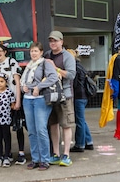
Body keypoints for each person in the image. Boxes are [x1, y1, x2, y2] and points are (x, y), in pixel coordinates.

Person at [21, 42, 58, 171]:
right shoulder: (29, 65)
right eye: (32, 51)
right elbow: (23, 81)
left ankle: (45, 160)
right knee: (31, 131)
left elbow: (53, 77)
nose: (33, 53)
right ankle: (35, 159)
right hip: (27, 99)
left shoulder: (45, 63)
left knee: (41, 129)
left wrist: (39, 87)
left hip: (40, 99)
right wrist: (23, 86)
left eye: (36, 51)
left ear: (41, 52)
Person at [44, 31, 76, 167]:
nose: (53, 43)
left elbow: (71, 75)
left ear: (61, 42)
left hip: (65, 96)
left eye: (55, 41)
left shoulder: (67, 56)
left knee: (66, 125)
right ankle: (56, 154)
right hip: (50, 96)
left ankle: (66, 154)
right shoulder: (46, 55)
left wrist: (54, 68)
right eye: (51, 40)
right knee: (53, 124)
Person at [0, 43, 26, 165]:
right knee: (3, 130)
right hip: (1, 103)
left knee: (18, 126)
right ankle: (7, 153)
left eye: (0, 51)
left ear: (5, 51)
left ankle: (21, 152)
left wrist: (18, 100)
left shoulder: (12, 62)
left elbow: (17, 82)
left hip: (12, 99)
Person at [69, 49, 94, 152]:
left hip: (78, 96)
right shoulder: (80, 66)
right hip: (84, 96)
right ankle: (89, 141)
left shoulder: (73, 68)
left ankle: (80, 144)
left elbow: (73, 84)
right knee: (82, 120)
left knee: (79, 121)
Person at [0, 73, 16, 168]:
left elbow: (12, 104)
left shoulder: (9, 92)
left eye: (2, 81)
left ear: (6, 82)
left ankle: (7, 156)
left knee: (6, 137)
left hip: (6, 119)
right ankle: (0, 156)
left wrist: (8, 109)